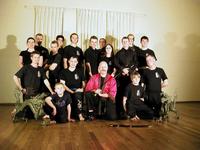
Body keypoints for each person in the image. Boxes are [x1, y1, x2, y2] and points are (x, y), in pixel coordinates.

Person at [12, 51, 54, 120]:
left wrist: (51, 91)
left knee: (48, 99)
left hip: (39, 92)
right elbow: (15, 77)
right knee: (30, 115)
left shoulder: (41, 69)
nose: (36, 59)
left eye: (38, 57)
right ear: (31, 58)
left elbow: (45, 81)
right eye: (35, 57)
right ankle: (19, 111)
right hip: (29, 92)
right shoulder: (26, 67)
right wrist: (21, 88)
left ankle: (46, 114)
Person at [114, 36, 138, 118]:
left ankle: (130, 112)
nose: (125, 43)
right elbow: (116, 63)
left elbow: (136, 63)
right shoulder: (118, 53)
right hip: (121, 76)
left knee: (130, 94)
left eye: (126, 41)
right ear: (122, 42)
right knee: (121, 94)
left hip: (130, 76)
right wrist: (122, 69)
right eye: (123, 41)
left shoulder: (133, 52)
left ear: (129, 42)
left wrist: (129, 70)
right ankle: (121, 113)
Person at [140, 54, 168, 118]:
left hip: (157, 94)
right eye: (147, 61)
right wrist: (142, 95)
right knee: (149, 114)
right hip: (148, 94)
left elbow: (166, 82)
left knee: (157, 113)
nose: (148, 61)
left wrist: (158, 87)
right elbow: (142, 84)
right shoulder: (145, 71)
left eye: (149, 59)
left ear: (154, 59)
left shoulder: (160, 70)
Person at [60, 56, 85, 121]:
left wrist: (82, 89)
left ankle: (80, 114)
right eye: (71, 61)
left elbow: (83, 83)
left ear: (77, 62)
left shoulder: (80, 71)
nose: (73, 63)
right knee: (66, 96)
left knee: (77, 95)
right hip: (67, 90)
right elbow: (62, 84)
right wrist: (70, 91)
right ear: (68, 61)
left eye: (75, 61)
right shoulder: (63, 71)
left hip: (77, 90)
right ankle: (67, 115)